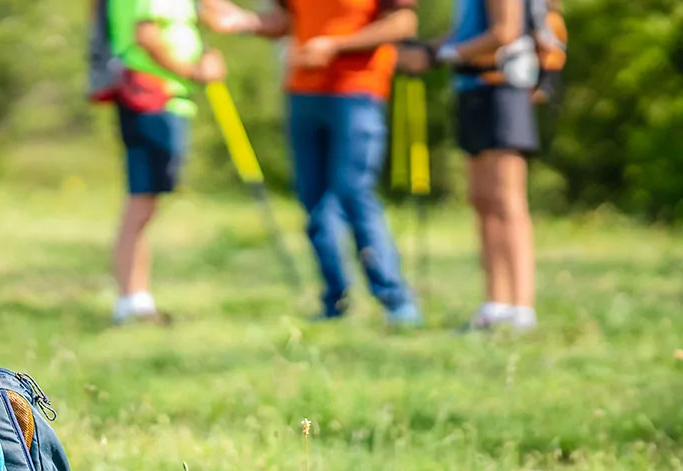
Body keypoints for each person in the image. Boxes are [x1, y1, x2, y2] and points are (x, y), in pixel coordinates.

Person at [204, 0, 424, 326]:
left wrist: (336, 46)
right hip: (303, 90)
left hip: (357, 91)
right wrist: (245, 21)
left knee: (354, 193)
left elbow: (403, 23)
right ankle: (335, 300)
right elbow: (288, 21)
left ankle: (395, 298)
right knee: (313, 199)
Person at [397, 0, 540, 332]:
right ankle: (496, 304)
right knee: (481, 198)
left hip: (503, 89)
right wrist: (429, 52)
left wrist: (448, 54)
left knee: (507, 200)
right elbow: (465, 33)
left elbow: (505, 31)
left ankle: (522, 308)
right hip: (472, 90)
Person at [106, 0, 227, 324]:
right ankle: (131, 301)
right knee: (141, 202)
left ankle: (136, 297)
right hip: (151, 99)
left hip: (163, 100)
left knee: (147, 203)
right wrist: (195, 71)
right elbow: (147, 35)